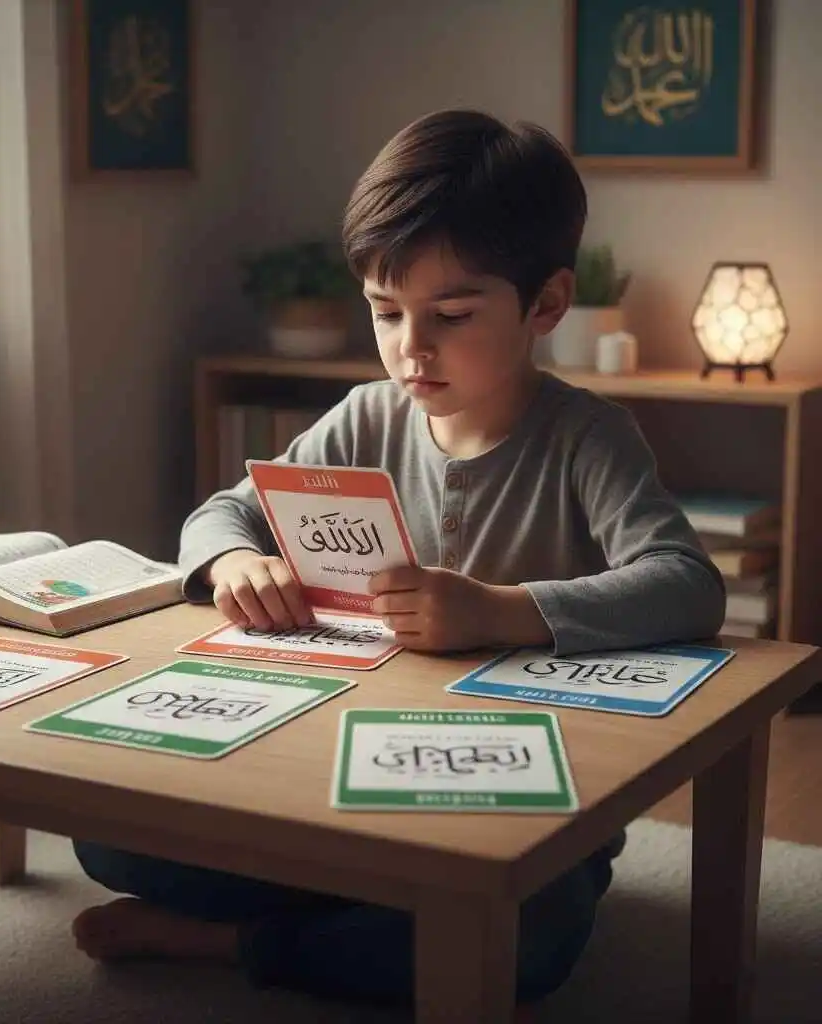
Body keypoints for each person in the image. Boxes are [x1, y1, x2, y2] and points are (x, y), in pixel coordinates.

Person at [70, 109, 726, 1016]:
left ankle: (233, 945)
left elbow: (689, 584)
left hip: (526, 800)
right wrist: (230, 565)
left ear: (545, 303)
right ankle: (361, 902)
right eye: (386, 311)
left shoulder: (587, 437)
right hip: (343, 779)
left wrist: (499, 612)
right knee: (107, 845)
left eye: (451, 315)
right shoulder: (366, 417)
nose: (411, 349)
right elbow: (224, 512)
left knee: (530, 941)